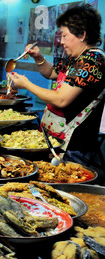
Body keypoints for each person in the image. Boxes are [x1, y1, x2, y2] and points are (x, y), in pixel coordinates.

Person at [7, 4, 105, 168]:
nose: (61, 41)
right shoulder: (78, 57)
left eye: (65, 36)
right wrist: (38, 57)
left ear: (82, 35)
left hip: (74, 145)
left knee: (65, 186)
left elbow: (61, 100)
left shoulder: (91, 61)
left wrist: (26, 84)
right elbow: (52, 72)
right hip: (60, 140)